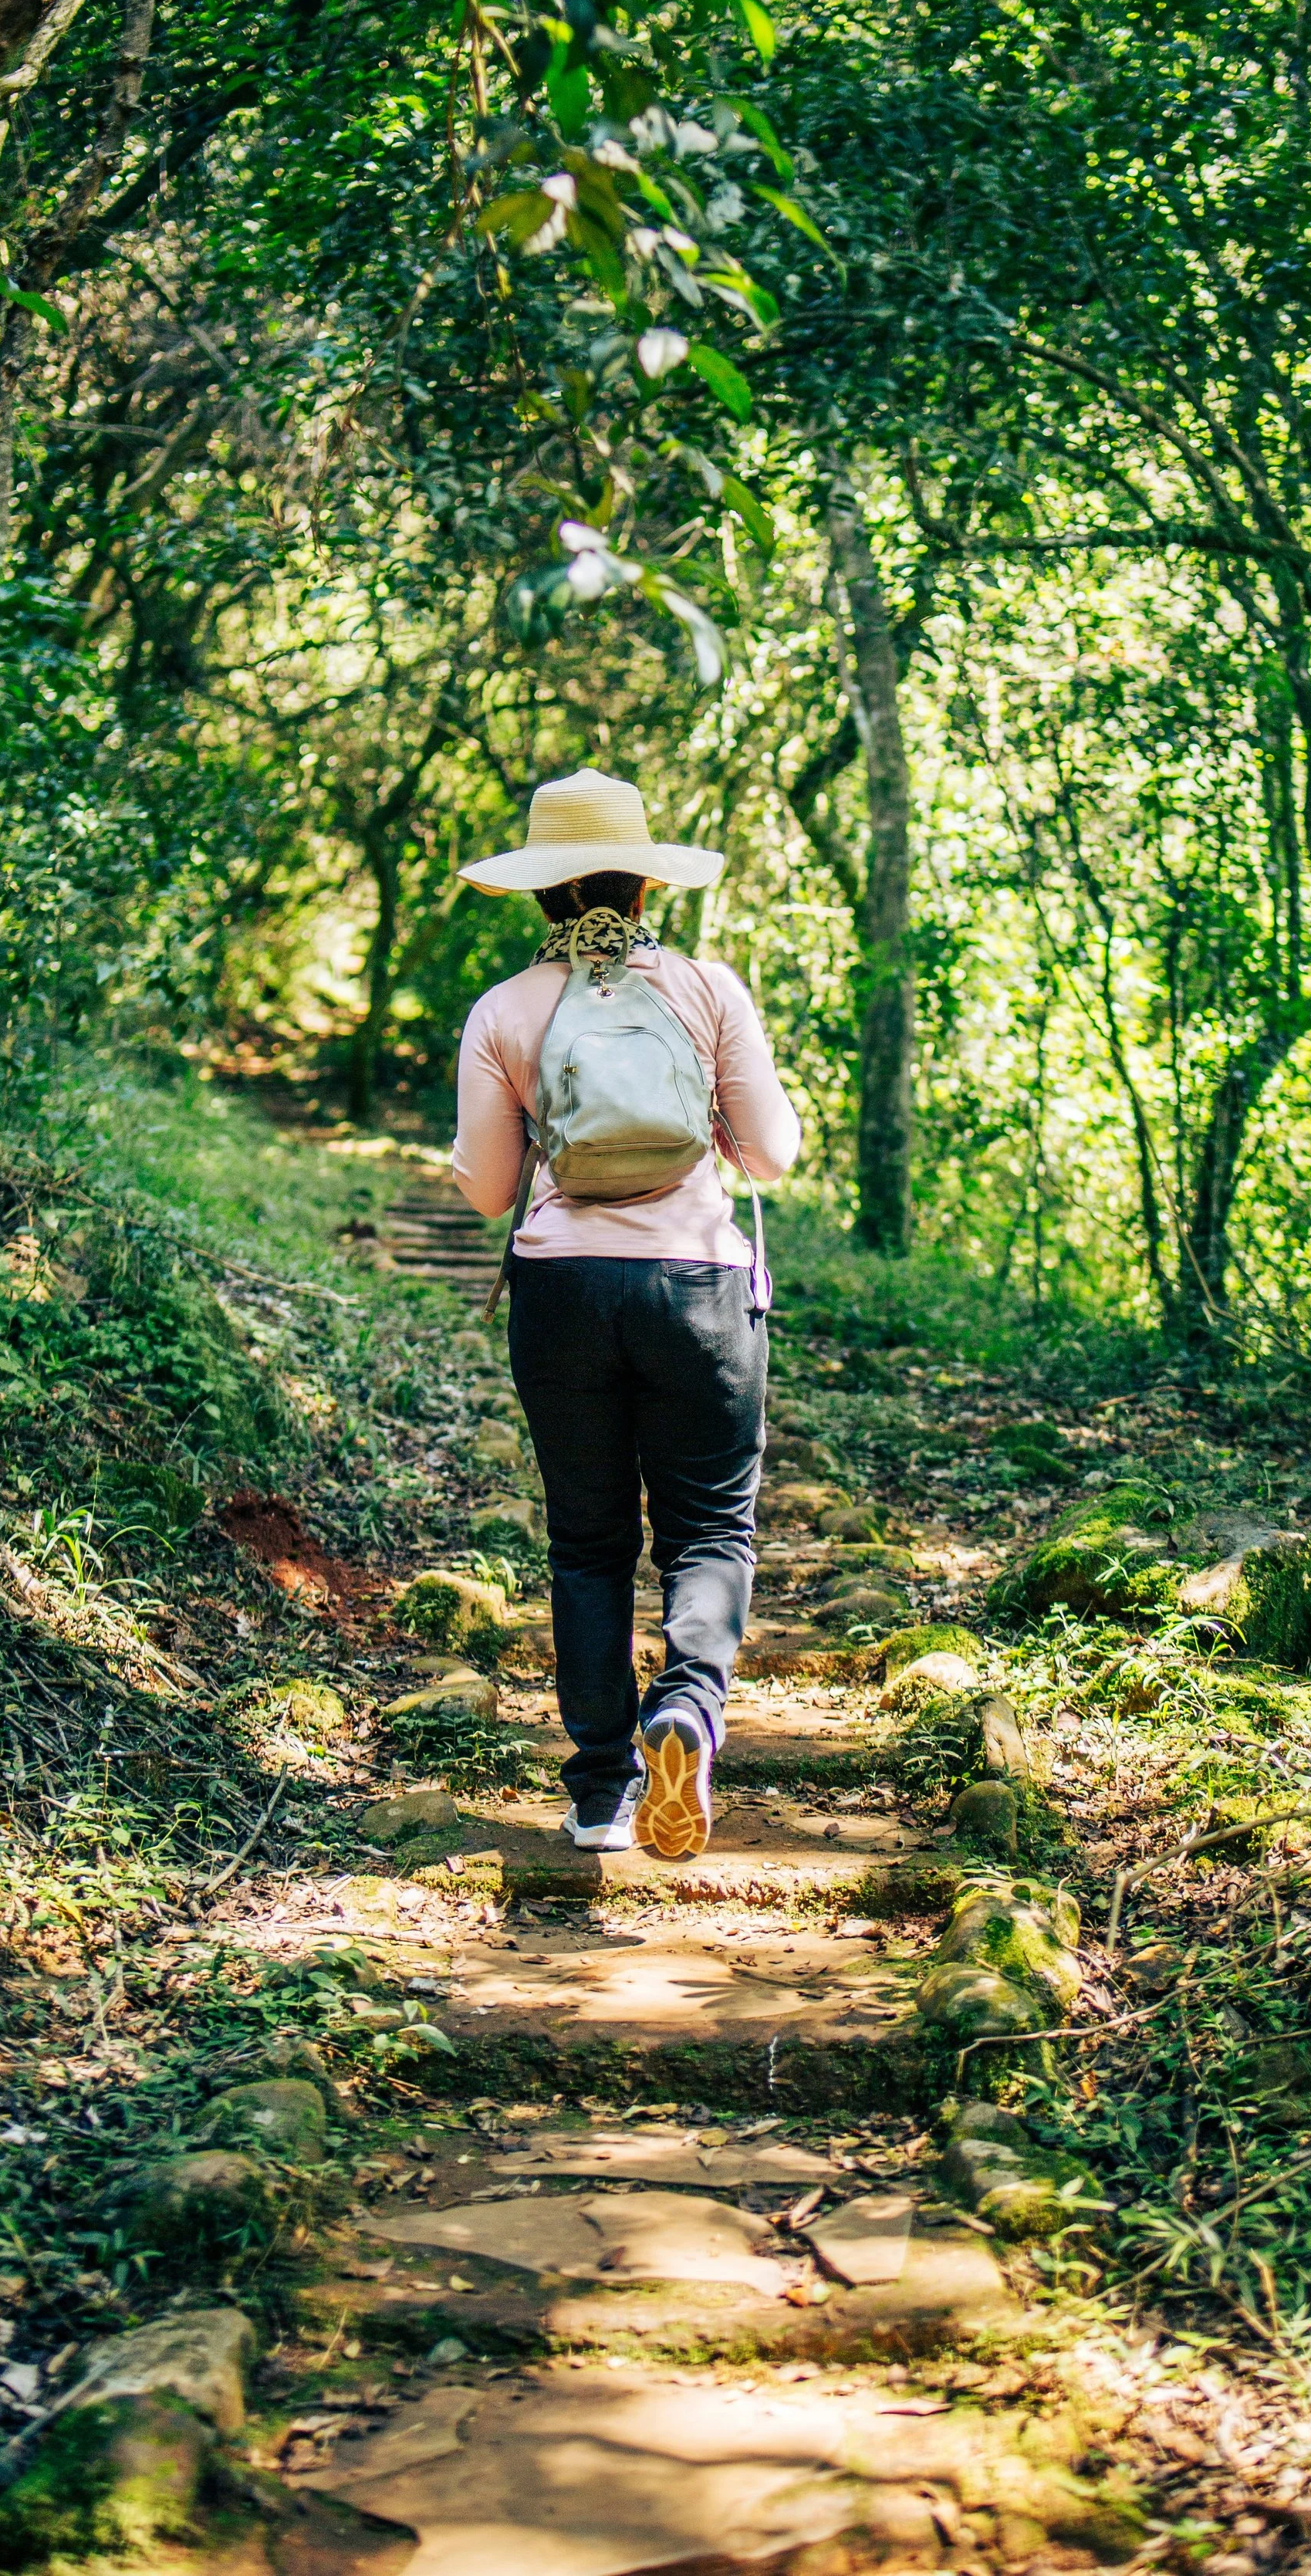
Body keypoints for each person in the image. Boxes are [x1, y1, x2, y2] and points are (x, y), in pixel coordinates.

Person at [450, 768, 802, 1857]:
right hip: (698, 1286)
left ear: (540, 893)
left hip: (562, 1295)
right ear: (646, 888)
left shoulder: (505, 1009)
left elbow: (488, 1188)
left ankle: (602, 1789)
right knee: (707, 1526)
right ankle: (688, 1707)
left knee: (588, 1543)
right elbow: (775, 1156)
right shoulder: (709, 989)